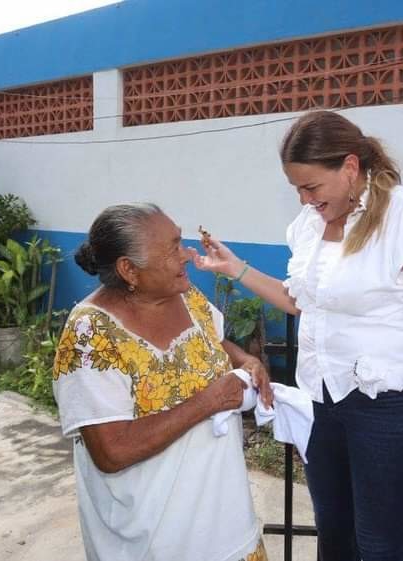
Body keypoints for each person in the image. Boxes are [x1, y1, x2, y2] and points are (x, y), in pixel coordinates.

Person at [193, 111, 403, 561]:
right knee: (334, 535)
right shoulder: (311, 225)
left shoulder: (402, 216)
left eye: (311, 187)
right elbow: (301, 300)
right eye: (296, 189)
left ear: (350, 167)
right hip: (321, 402)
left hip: (390, 405)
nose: (304, 199)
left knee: (378, 544)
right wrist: (236, 268)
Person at [52, 203, 273, 561]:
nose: (186, 255)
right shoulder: (90, 335)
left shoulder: (184, 296)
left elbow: (213, 341)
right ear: (129, 269)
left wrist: (246, 360)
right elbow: (111, 451)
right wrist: (208, 401)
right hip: (155, 539)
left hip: (225, 521)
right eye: (172, 248)